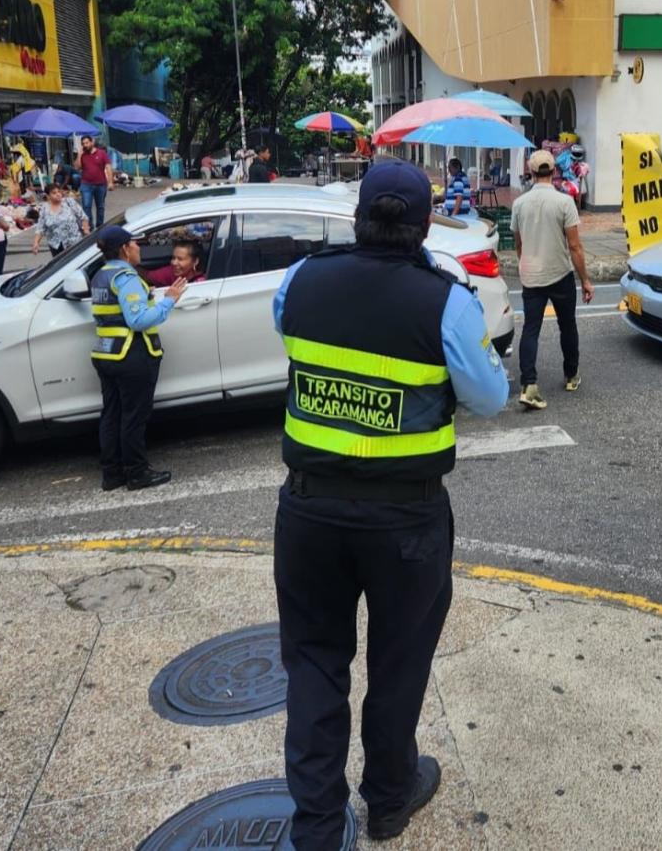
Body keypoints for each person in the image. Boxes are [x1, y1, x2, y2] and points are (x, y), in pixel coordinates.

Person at [270, 159, 508, 850]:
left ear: (357, 215)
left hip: (309, 512)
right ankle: (388, 803)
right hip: (407, 519)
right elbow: (490, 398)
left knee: (314, 665)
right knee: (399, 665)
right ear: (426, 223)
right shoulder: (446, 299)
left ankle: (316, 827)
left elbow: (291, 341)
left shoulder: (301, 280)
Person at [90, 226, 187, 491]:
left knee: (112, 414)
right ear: (124, 249)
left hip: (106, 353)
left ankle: (112, 474)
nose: (139, 247)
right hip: (131, 355)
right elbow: (139, 320)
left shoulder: (100, 275)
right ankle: (136, 473)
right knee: (133, 417)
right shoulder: (125, 276)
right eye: (135, 243)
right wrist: (169, 300)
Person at [510, 149, 594, 410]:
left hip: (532, 275)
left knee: (531, 329)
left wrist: (526, 263)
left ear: (531, 172)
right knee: (567, 325)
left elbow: (518, 243)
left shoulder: (519, 204)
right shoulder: (564, 202)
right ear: (554, 171)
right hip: (560, 273)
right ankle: (571, 376)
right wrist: (586, 281)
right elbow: (575, 246)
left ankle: (529, 384)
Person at [31, 182, 90, 257]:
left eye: (59, 191)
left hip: (74, 241)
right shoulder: (44, 209)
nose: (58, 194)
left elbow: (83, 217)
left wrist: (86, 230)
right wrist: (36, 243)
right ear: (48, 196)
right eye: (54, 193)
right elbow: (40, 228)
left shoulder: (69, 202)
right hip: (56, 246)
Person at [76, 135, 114, 229]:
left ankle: (100, 226)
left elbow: (108, 167)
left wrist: (110, 182)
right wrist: (79, 154)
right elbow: (77, 167)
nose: (85, 145)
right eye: (83, 144)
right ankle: (89, 227)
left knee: (100, 206)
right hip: (86, 184)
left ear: (92, 142)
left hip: (101, 184)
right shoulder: (83, 155)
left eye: (87, 143)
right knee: (86, 206)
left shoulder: (101, 153)